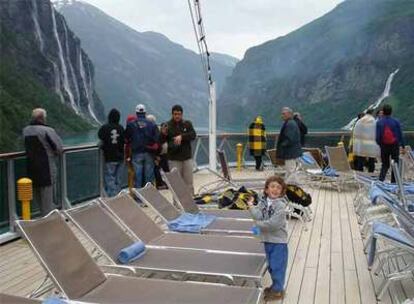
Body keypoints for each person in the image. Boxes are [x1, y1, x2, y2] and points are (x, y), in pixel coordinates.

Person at [247, 176, 288, 301]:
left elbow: (273, 225)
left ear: (281, 192)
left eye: (278, 188)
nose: (275, 189)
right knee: (271, 266)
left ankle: (278, 290)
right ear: (266, 189)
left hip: (278, 242)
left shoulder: (280, 206)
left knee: (278, 266)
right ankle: (276, 286)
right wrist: (251, 206)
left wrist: (257, 226)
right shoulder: (263, 202)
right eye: (272, 186)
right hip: (268, 240)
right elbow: (258, 215)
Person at [23, 108, 63, 215]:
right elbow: (59, 148)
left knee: (37, 195)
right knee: (48, 197)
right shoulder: (47, 130)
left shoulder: (26, 130)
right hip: (47, 168)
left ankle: (42, 217)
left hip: (31, 167)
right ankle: (48, 220)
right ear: (42, 118)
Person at [125, 104, 159, 188]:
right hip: (149, 153)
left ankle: (138, 197)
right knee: (149, 176)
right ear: (145, 112)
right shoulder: (152, 125)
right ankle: (149, 196)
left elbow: (126, 138)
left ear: (136, 113)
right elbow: (156, 139)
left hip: (136, 153)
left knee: (137, 176)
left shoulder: (131, 124)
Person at [167, 104, 196, 194]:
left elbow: (193, 135)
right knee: (176, 184)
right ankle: (177, 205)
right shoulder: (167, 126)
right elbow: (164, 141)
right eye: (175, 114)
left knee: (189, 183)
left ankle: (191, 203)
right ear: (172, 114)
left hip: (187, 158)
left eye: (179, 114)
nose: (177, 116)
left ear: (182, 114)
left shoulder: (187, 124)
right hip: (174, 159)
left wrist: (182, 137)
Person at [98, 108, 125, 197]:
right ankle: (117, 195)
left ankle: (113, 197)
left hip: (109, 157)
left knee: (110, 178)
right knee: (118, 179)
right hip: (120, 157)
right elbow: (125, 140)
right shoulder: (121, 128)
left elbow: (100, 136)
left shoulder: (105, 128)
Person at [376, 104, 405, 182]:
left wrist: (380, 144)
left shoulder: (379, 122)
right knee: (395, 163)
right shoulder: (396, 122)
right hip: (394, 145)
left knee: (385, 165)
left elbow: (377, 137)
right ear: (391, 112)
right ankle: (393, 182)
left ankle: (380, 181)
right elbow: (400, 135)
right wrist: (402, 146)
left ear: (383, 112)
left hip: (384, 146)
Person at [276, 107, 302, 182]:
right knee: (290, 169)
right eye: (282, 114)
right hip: (293, 151)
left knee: (290, 170)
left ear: (290, 114)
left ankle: (291, 185)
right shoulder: (291, 123)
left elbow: (289, 138)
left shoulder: (290, 124)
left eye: (284, 114)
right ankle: (289, 184)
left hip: (290, 151)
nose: (282, 115)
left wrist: (282, 145)